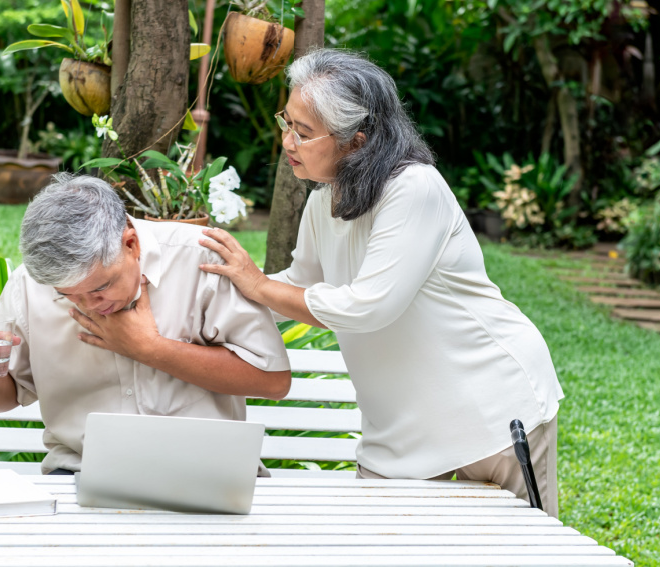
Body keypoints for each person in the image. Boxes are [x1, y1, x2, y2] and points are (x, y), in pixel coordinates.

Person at [199, 49, 564, 517]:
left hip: (488, 411)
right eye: (286, 123)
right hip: (398, 434)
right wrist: (217, 291)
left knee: (517, 553)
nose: (287, 141)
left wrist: (258, 285)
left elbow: (369, 306)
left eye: (303, 132)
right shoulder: (323, 202)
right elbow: (299, 283)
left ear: (356, 141)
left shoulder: (415, 188)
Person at [0, 174, 291, 475]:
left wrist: (150, 349)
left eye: (100, 287)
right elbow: (1, 400)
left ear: (131, 243)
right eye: (68, 295)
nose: (89, 305)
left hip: (207, 472)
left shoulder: (202, 260)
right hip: (79, 472)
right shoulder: (29, 283)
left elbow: (273, 381)